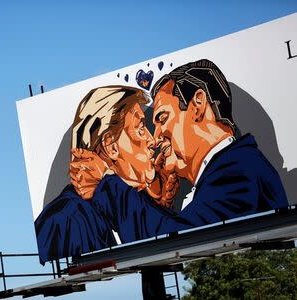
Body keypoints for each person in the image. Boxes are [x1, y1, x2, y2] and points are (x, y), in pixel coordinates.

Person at [71, 59, 288, 237]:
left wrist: (108, 184)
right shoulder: (229, 169)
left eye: (162, 118)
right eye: (144, 127)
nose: (156, 137)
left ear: (198, 104)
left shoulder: (239, 171)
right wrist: (160, 205)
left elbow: (179, 237)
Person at [35, 85, 177, 264]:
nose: (152, 140)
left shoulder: (137, 202)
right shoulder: (64, 221)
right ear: (111, 146)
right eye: (141, 129)